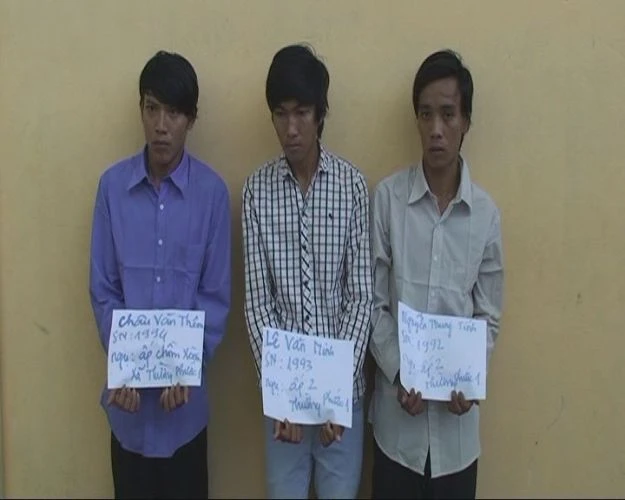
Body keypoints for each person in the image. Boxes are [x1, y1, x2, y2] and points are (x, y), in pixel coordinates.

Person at [89, 50, 231, 499]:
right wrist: (124, 365)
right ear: (141, 110)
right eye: (152, 108)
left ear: (191, 119)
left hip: (184, 415)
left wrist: (187, 367)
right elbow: (104, 289)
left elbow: (214, 296)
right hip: (127, 413)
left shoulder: (212, 195)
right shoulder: (112, 190)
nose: (161, 125)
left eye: (174, 112)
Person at [369, 49, 504, 499]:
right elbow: (373, 303)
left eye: (448, 114)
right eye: (425, 114)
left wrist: (470, 376)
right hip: (396, 434)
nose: (436, 129)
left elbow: (488, 315)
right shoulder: (388, 200)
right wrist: (398, 371)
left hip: (456, 441)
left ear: (466, 121)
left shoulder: (485, 215)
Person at [242, 44, 373, 499]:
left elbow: (360, 296)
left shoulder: (352, 186)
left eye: (302, 112)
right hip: (284, 409)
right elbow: (258, 303)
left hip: (343, 401)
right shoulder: (256, 191)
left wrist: (336, 391)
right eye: (280, 114)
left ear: (321, 114)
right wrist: (283, 395)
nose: (291, 128)